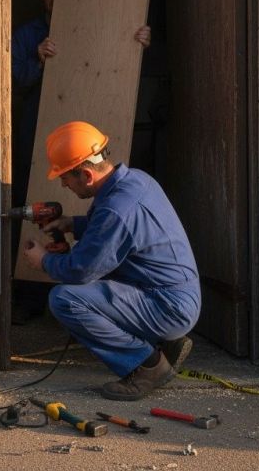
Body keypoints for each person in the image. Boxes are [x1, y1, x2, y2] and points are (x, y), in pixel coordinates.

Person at [10, 0, 151, 324]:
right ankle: (29, 298)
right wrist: (38, 61)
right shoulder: (28, 34)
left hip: (87, 138)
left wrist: (134, 42)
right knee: (35, 206)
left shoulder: (105, 25)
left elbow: (120, 70)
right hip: (39, 133)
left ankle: (93, 299)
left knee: (94, 215)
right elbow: (10, 79)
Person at [23, 121, 200, 401]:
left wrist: (43, 260)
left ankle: (148, 365)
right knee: (94, 282)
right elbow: (113, 232)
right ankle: (160, 341)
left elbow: (80, 271)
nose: (62, 184)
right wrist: (72, 224)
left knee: (65, 299)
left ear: (87, 175)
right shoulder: (135, 181)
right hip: (169, 293)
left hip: (167, 305)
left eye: (66, 177)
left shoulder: (118, 210)